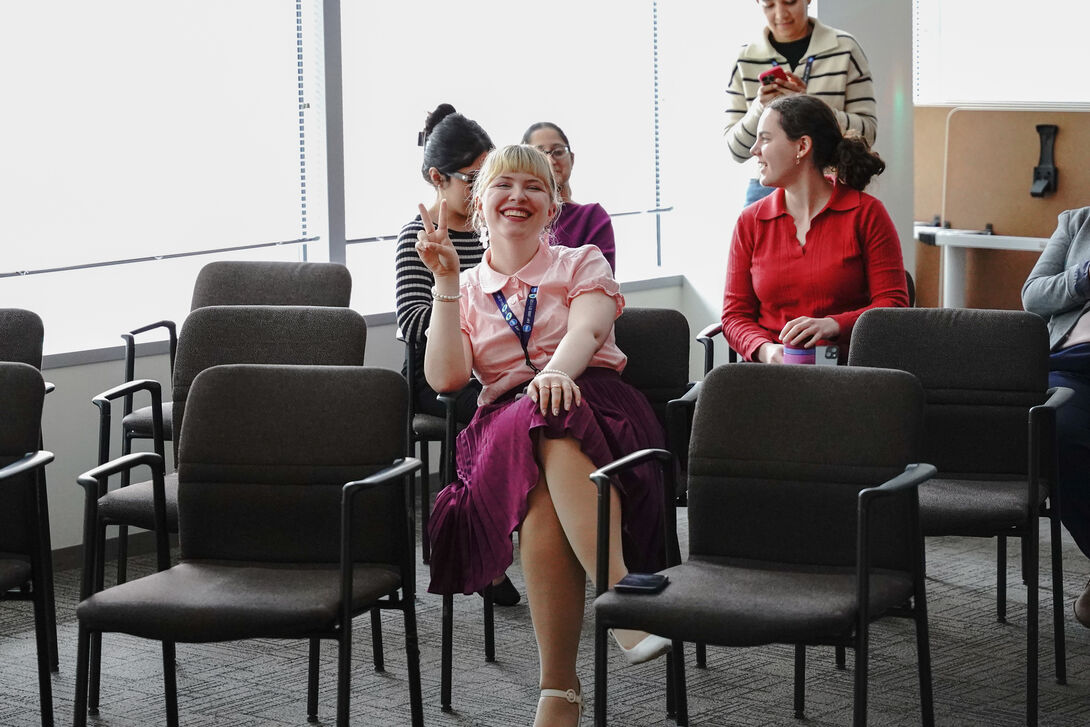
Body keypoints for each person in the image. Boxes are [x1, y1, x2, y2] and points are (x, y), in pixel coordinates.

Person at [415, 144, 669, 727]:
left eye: (535, 188)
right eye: (504, 186)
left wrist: (556, 375)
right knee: (535, 421)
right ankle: (622, 599)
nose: (518, 197)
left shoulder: (580, 262)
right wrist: (447, 284)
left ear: (553, 206)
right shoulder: (468, 285)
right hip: (504, 425)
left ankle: (558, 691)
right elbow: (447, 377)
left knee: (547, 455)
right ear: (480, 203)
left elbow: (587, 330)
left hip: (596, 404)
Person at [393, 104, 519, 607]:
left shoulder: (494, 235)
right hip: (436, 375)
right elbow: (413, 323)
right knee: (495, 413)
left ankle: (497, 538)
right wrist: (474, 322)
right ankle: (480, 547)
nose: (483, 189)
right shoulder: (416, 239)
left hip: (490, 364)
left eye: (488, 176)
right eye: (472, 178)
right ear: (435, 178)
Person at [721, 94, 908, 364]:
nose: (754, 150)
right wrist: (766, 350)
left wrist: (833, 324)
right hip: (770, 375)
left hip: (849, 373)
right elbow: (734, 316)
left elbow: (893, 303)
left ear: (802, 146)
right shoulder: (750, 222)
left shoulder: (867, 213)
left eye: (765, 138)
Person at [725, 0, 877, 206]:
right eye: (769, 4)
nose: (780, 14)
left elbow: (868, 134)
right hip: (766, 190)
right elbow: (736, 151)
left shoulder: (845, 48)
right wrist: (760, 109)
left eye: (790, 2)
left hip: (830, 186)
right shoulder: (745, 58)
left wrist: (812, 106)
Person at [1022, 206, 1090, 627]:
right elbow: (1033, 295)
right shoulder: (1077, 222)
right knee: (1055, 430)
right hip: (1070, 364)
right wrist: (1084, 278)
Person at [522, 121, 617, 272]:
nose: (551, 161)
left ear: (571, 159)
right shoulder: (517, 217)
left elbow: (598, 280)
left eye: (558, 152)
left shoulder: (592, 217)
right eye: (540, 154)